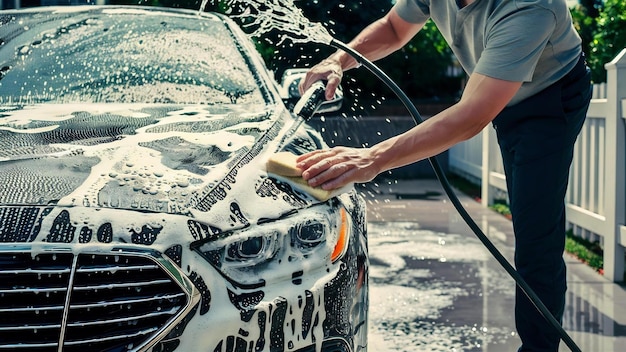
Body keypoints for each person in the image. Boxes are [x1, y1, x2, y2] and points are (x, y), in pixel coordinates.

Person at [296, 0, 592, 351]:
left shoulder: (532, 7)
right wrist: (339, 59)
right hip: (500, 90)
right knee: (530, 224)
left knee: (535, 238)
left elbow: (471, 116)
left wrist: (372, 158)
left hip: (549, 100)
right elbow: (393, 28)